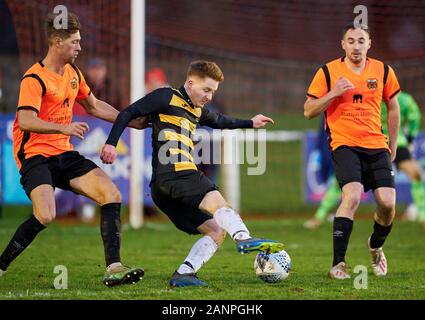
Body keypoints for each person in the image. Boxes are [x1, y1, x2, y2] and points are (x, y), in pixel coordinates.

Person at [100, 60, 284, 287]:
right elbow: (128, 112)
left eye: (213, 92)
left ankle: (184, 274)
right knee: (218, 201)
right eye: (206, 90)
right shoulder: (166, 96)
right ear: (190, 83)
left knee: (216, 231)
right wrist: (111, 144)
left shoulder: (196, 110)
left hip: (162, 188)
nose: (210, 97)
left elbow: (221, 121)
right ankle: (244, 238)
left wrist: (250, 122)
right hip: (177, 172)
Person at [0, 11, 147, 287]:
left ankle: (113, 268)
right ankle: (1, 265)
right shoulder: (34, 78)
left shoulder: (73, 73)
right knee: (45, 215)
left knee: (111, 194)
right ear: (57, 42)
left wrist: (129, 119)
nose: (80, 47)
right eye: (75, 42)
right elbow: (26, 120)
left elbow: (93, 105)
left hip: (64, 154)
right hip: (35, 156)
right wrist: (63, 128)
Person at [304, 22, 401, 279]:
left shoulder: (383, 70)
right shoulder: (327, 72)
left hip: (376, 145)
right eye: (351, 41)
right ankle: (338, 264)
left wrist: (393, 143)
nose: (356, 46)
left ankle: (376, 245)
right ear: (343, 44)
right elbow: (308, 110)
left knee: (388, 203)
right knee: (353, 196)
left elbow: (393, 107)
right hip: (344, 144)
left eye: (361, 41)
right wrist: (334, 93)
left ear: (369, 44)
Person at [382, 91, 425, 227]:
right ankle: (320, 216)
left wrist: (409, 137)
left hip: (394, 142)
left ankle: (423, 216)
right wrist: (411, 136)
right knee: (346, 182)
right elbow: (414, 116)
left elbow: (415, 116)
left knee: (416, 174)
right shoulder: (404, 99)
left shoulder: (403, 99)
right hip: (373, 141)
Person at [304, 116, 341, 229]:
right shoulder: (329, 113)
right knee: (339, 185)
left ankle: (320, 217)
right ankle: (321, 217)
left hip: (370, 146)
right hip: (340, 151)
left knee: (340, 186)